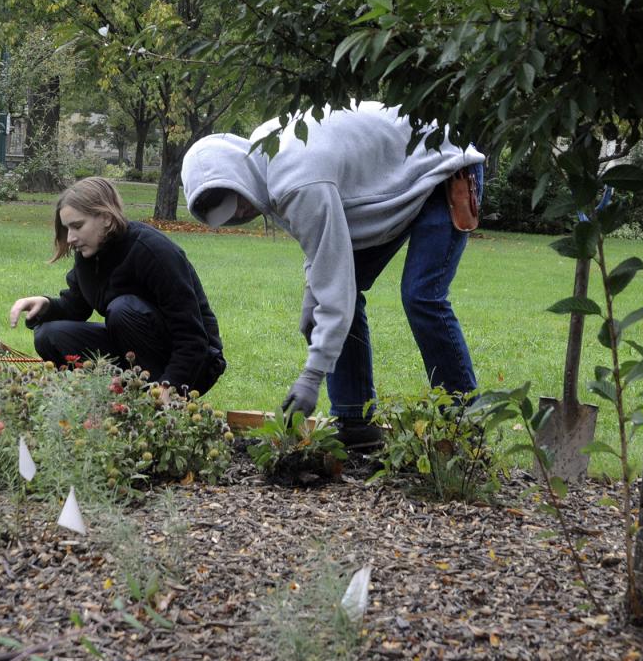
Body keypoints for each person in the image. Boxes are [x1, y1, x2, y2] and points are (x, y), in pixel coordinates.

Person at [181, 101, 484, 448]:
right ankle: (355, 426)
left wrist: (311, 377)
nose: (245, 211)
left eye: (239, 202)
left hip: (444, 165)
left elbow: (336, 282)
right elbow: (325, 245)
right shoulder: (264, 157)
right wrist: (314, 290)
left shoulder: (296, 178)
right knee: (339, 302)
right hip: (391, 183)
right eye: (237, 213)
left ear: (236, 172)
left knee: (422, 296)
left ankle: (465, 426)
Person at [9, 177, 226, 393]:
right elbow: (75, 306)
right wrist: (45, 304)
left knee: (122, 309)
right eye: (67, 229)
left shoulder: (152, 251)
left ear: (105, 218)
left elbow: (192, 338)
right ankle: (114, 397)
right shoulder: (89, 252)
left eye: (77, 226)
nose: (71, 238)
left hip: (196, 364)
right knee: (49, 335)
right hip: (134, 348)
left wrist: (170, 387)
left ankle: (155, 400)